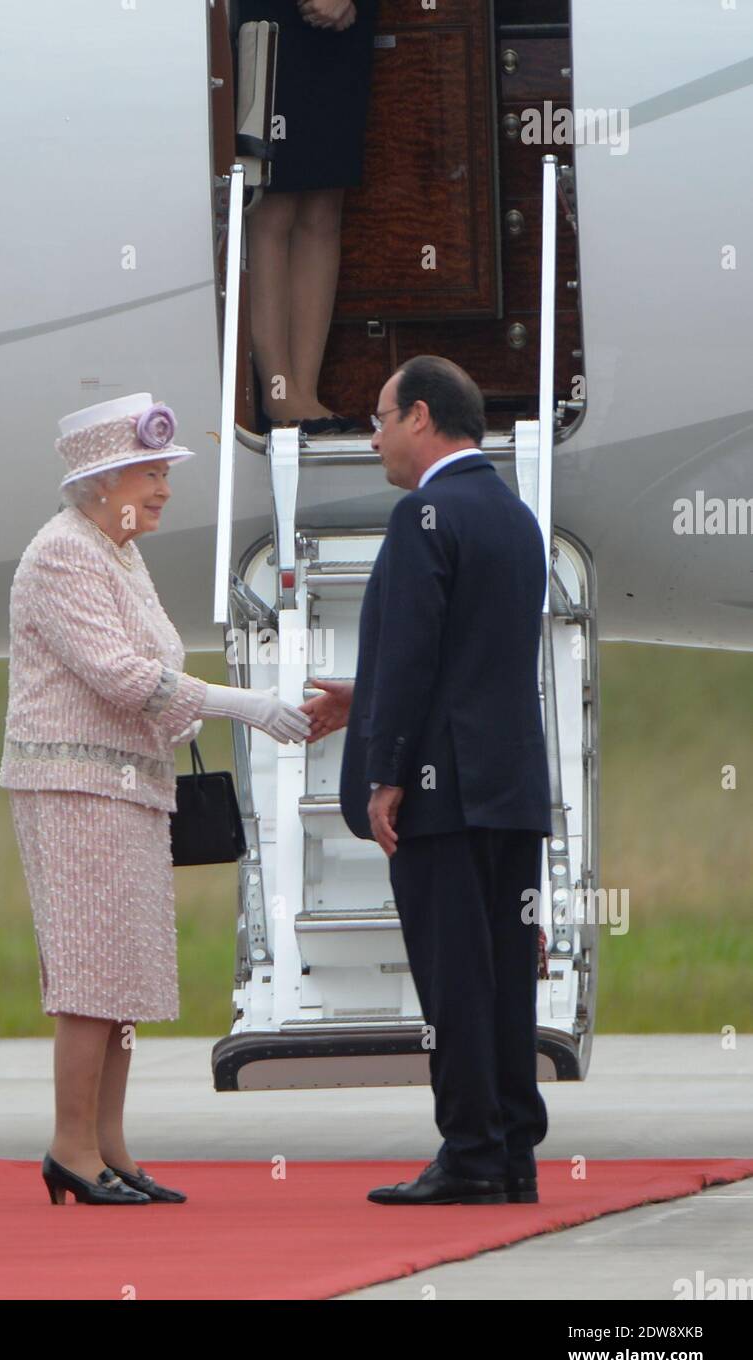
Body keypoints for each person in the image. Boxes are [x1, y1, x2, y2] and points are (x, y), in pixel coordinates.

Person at [0, 391, 310, 1206]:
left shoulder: (116, 549)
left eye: (164, 470)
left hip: (128, 785)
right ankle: (71, 1148)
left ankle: (109, 1147)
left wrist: (213, 701)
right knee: (87, 975)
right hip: (73, 785)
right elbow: (122, 675)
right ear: (100, 481)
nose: (165, 486)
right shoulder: (64, 553)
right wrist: (243, 705)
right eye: (149, 470)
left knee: (123, 973)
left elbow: (150, 669)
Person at [300, 356, 552, 1205]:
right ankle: (512, 1149)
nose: (370, 438)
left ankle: (470, 1153)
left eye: (377, 419)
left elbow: (413, 653)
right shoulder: (515, 517)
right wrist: (365, 697)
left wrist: (384, 770)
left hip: (441, 796)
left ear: (417, 416)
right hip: (509, 789)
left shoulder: (422, 517)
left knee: (452, 979)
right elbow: (469, 660)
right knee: (504, 971)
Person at [233, 0, 379, 433]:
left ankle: (305, 394)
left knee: (323, 204)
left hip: (347, 21)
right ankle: (278, 394)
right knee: (274, 200)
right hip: (273, 16)